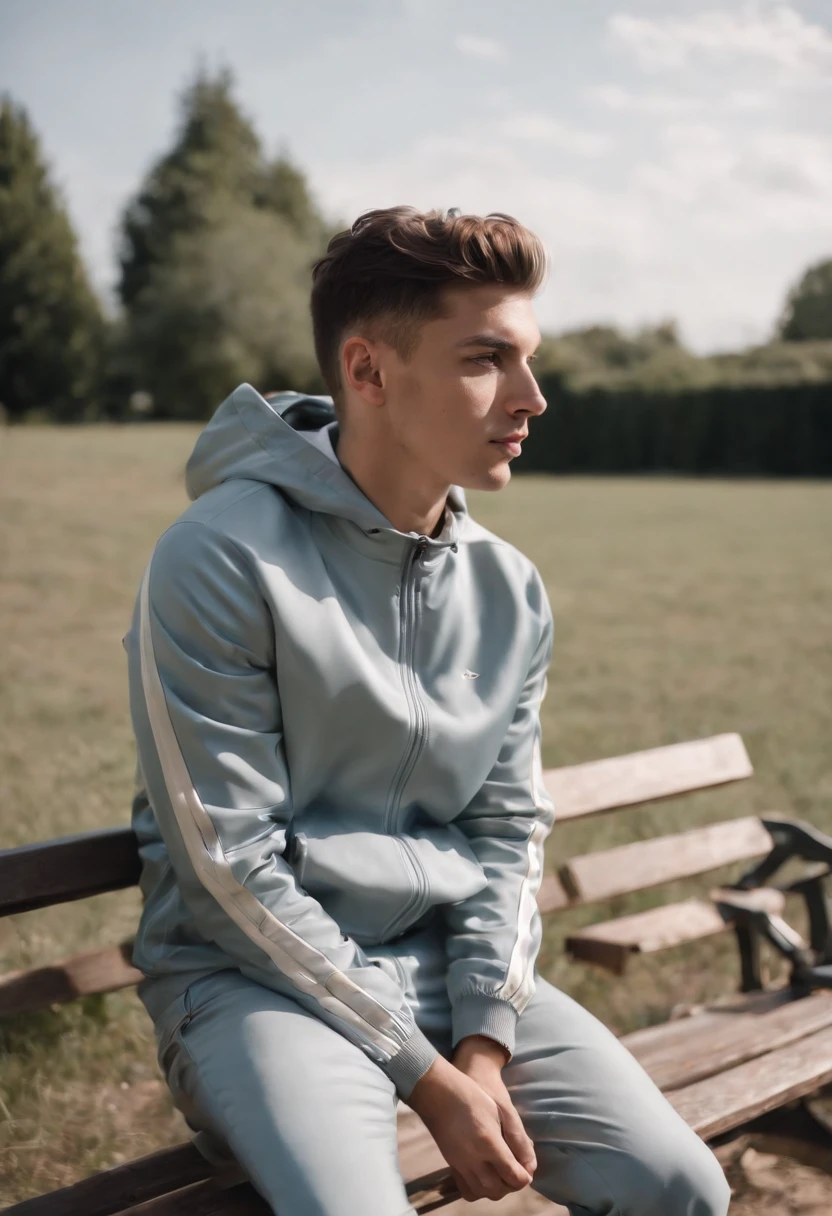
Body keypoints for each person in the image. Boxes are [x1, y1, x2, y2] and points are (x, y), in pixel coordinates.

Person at [124, 206, 730, 1215]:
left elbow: (504, 828)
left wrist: (483, 1043)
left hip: (453, 972)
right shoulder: (218, 556)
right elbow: (227, 865)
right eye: (486, 359)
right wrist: (426, 1073)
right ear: (367, 371)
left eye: (527, 358)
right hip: (253, 983)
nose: (531, 397)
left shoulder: (510, 588)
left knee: (678, 1188)